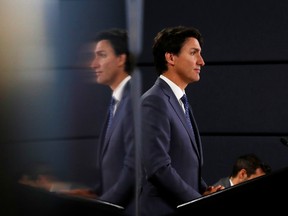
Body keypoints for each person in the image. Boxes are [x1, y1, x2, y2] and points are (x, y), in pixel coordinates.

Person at [19, 28, 137, 216]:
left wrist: (103, 204)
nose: (93, 64)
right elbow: (116, 172)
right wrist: (84, 193)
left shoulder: (134, 103)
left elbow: (134, 169)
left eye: (101, 55)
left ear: (121, 59)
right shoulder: (118, 102)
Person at [140, 26, 224, 216]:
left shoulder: (179, 101)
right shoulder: (154, 101)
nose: (201, 62)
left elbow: (183, 164)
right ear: (171, 57)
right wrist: (197, 201)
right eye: (194, 53)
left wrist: (204, 191)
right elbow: (157, 167)